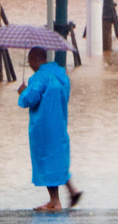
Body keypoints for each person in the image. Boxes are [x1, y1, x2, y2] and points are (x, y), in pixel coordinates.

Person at [17, 47, 81, 211]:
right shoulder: (62, 77)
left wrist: (22, 92)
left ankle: (54, 201)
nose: (30, 65)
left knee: (47, 162)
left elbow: (29, 99)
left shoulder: (40, 77)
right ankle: (70, 192)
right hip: (59, 124)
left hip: (43, 127)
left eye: (30, 61)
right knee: (57, 160)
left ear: (35, 60)